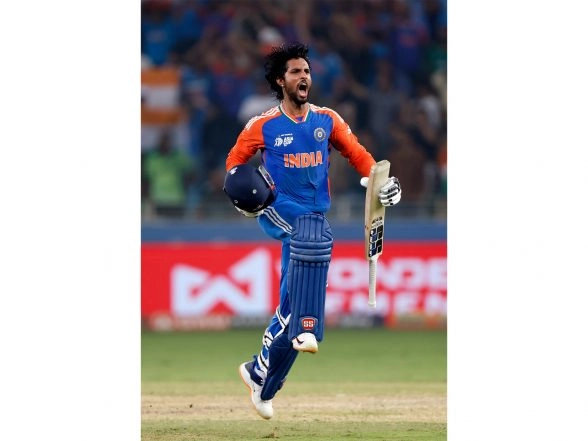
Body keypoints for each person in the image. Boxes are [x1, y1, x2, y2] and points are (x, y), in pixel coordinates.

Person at [223, 42, 401, 420]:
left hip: (315, 215)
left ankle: (261, 376)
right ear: (280, 80)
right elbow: (234, 164)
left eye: (306, 71)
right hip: (278, 209)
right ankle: (309, 326)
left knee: (292, 305)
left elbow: (358, 154)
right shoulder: (263, 125)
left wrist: (381, 182)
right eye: (295, 72)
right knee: (312, 242)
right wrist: (242, 195)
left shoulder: (327, 120)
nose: (304, 76)